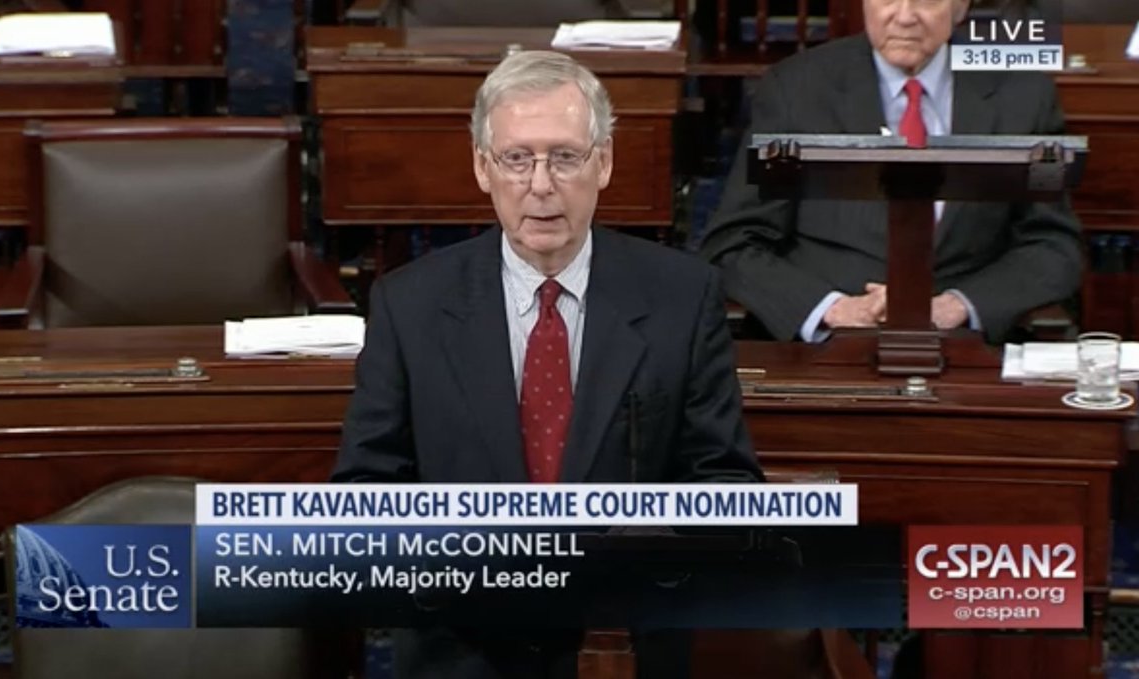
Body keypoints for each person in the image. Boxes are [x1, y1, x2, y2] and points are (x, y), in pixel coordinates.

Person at [333, 49, 762, 678]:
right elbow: (366, 493)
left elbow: (723, 487)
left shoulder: (682, 296)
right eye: (517, 159)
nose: (540, 185)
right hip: (462, 647)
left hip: (625, 647)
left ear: (604, 162)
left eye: (564, 157)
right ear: (483, 167)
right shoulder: (409, 304)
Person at [699, 0, 1082, 344]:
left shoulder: (1024, 93)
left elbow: (1053, 245)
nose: (904, 16)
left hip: (966, 346)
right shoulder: (797, 89)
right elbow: (734, 242)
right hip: (826, 347)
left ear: (961, 8)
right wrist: (833, 309)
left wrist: (958, 305)